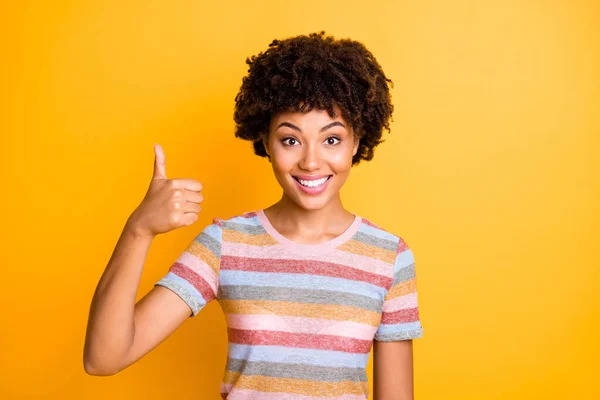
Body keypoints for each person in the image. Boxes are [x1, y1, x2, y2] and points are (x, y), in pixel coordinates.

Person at [84, 31, 423, 400]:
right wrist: (139, 229)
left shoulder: (389, 258)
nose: (311, 161)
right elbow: (104, 357)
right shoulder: (226, 244)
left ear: (357, 141)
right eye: (290, 139)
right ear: (265, 141)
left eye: (332, 139)